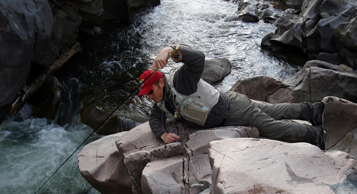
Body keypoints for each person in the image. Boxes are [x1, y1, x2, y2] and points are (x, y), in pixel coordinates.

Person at [138, 45, 326, 149]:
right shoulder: (161, 102)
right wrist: (162, 134)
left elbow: (197, 59)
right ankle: (315, 111)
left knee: (272, 127)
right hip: (230, 102)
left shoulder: (180, 81)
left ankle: (316, 134)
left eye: (150, 92)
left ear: (160, 83)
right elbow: (155, 119)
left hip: (234, 110)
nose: (149, 97)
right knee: (275, 111)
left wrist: (171, 50)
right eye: (145, 94)